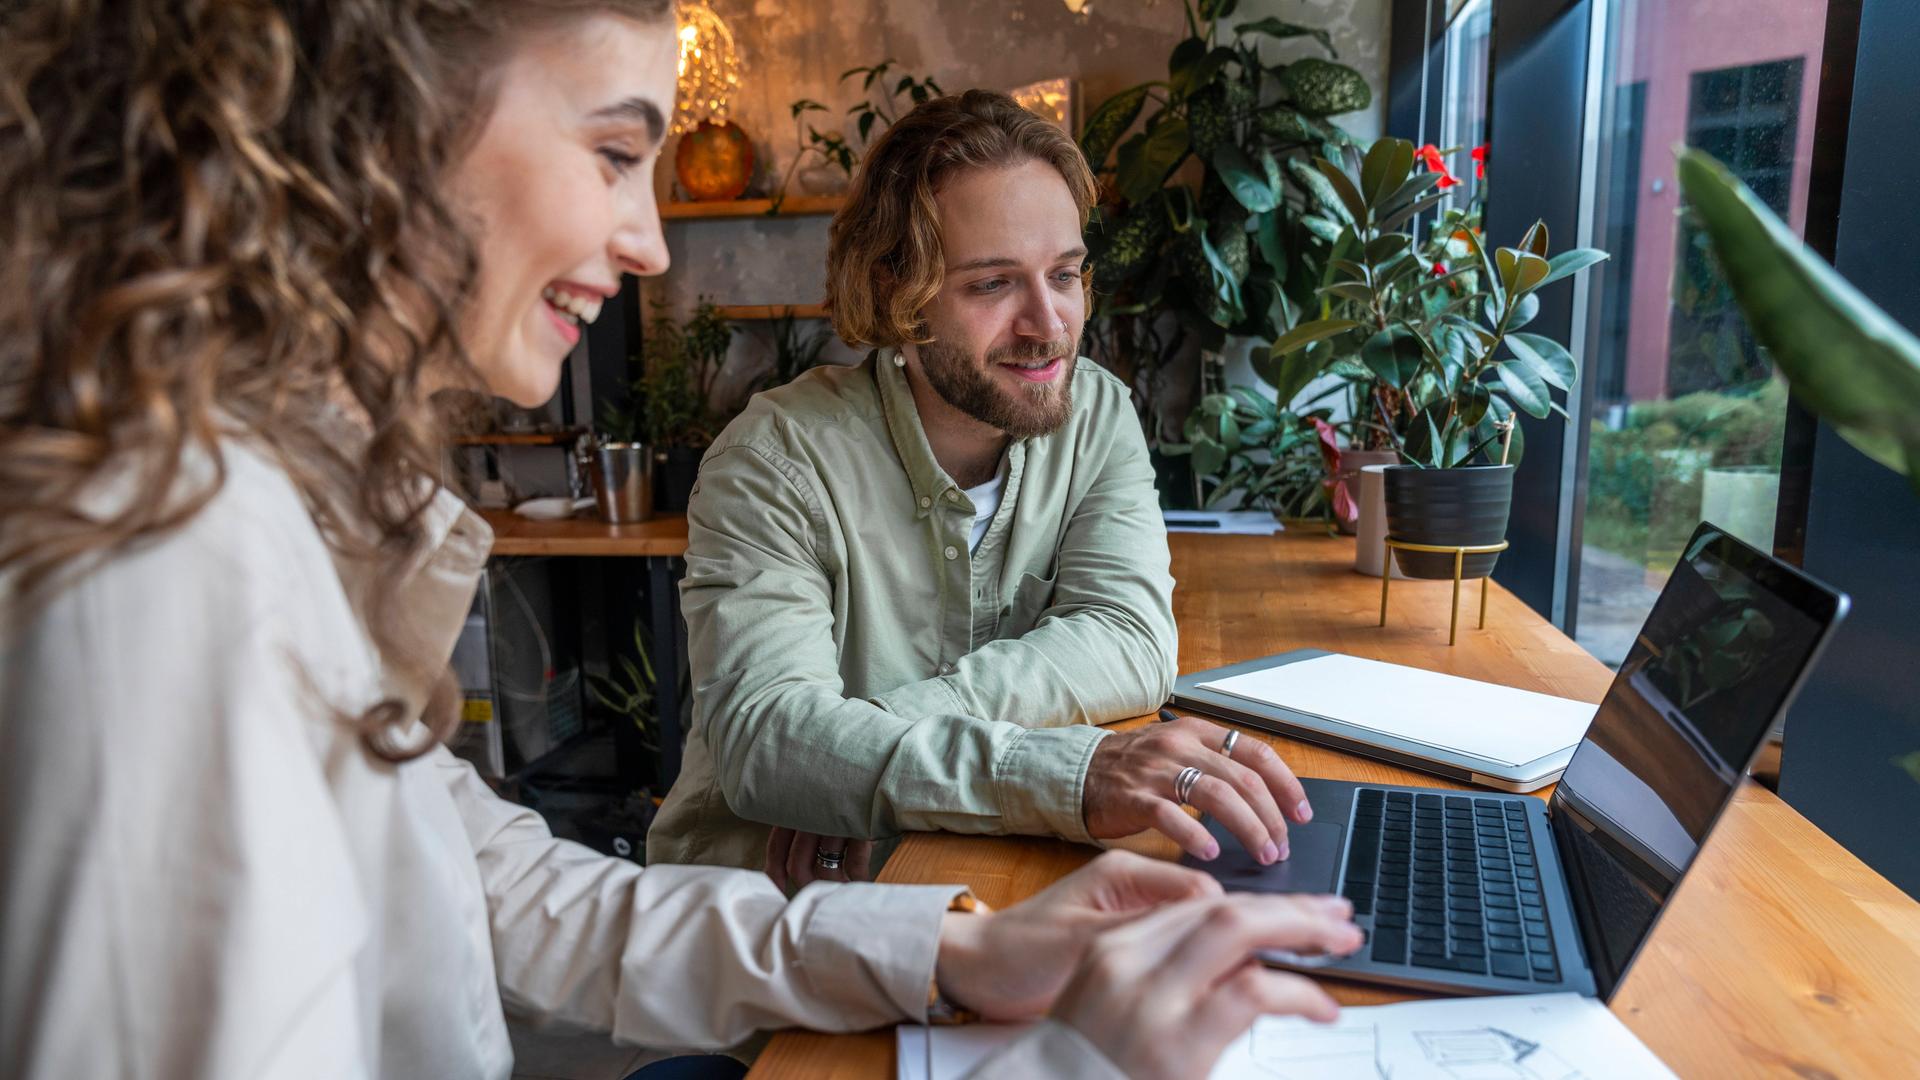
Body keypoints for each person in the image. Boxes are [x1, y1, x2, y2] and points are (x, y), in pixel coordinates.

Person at [0, 3, 1363, 1079]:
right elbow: (770, 742)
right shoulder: (165, 570)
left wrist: (955, 951)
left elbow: (519, 894)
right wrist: (1065, 1060)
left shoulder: (289, 507)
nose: (651, 239)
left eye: (1065, 275)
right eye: (611, 151)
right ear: (379, 128)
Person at [648, 91, 1316, 887]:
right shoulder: (773, 460)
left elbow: (1131, 640)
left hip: (964, 871)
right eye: (994, 284)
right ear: (899, 292)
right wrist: (1062, 774)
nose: (1049, 324)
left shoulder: (1095, 413)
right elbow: (768, 744)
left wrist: (850, 756)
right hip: (764, 907)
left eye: (1064, 274)